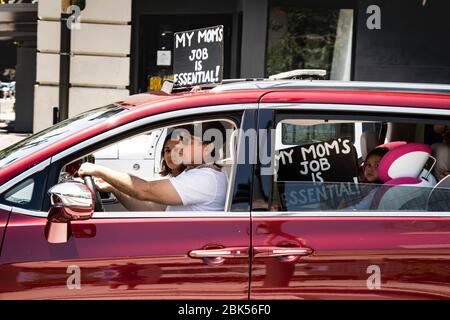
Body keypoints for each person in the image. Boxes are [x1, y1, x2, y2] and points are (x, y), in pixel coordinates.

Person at [79, 122, 228, 212]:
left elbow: (145, 190)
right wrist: (114, 189)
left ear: (207, 148)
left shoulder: (206, 178)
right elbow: (153, 207)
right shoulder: (196, 173)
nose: (180, 146)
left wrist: (99, 170)